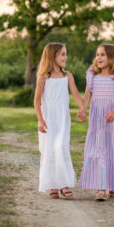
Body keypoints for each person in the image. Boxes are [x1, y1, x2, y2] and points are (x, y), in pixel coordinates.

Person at [77, 43, 114, 201]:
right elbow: (87, 97)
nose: (98, 58)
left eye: (102, 55)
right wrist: (83, 109)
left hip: (111, 120)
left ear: (112, 58)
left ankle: (112, 185)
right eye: (97, 54)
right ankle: (100, 188)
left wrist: (113, 111)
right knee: (98, 151)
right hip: (97, 120)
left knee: (112, 150)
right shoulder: (92, 75)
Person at [34, 42, 84, 199]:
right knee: (49, 150)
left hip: (62, 118)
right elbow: (36, 100)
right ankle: (52, 185)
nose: (66, 57)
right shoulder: (43, 77)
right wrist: (40, 120)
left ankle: (64, 184)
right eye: (63, 54)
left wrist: (82, 108)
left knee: (61, 147)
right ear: (52, 56)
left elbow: (75, 94)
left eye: (66, 54)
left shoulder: (67, 76)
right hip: (48, 118)